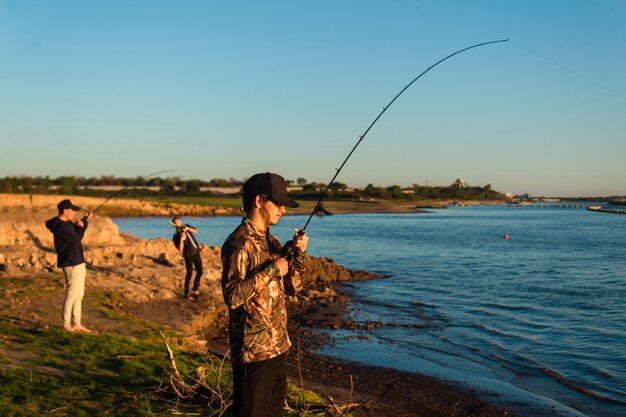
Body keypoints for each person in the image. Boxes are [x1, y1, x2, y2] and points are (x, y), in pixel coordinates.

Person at [221, 172, 308, 417]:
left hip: (278, 347)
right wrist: (272, 269)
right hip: (253, 354)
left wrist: (297, 254)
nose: (283, 209)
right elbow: (232, 295)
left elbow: (294, 288)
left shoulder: (273, 242)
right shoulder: (238, 242)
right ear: (259, 201)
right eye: (278, 203)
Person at [45, 199, 93, 333]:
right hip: (70, 264)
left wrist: (85, 220)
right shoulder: (60, 226)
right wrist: (80, 226)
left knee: (79, 294)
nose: (73, 213)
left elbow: (77, 232)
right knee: (72, 294)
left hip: (78, 262)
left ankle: (77, 323)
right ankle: (66, 324)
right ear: (65, 211)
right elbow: (76, 238)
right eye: (72, 210)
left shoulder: (67, 223)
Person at [171, 217, 204, 299]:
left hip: (196, 253)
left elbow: (195, 231)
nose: (179, 222)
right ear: (174, 224)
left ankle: (195, 289)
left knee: (200, 271)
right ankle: (186, 293)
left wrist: (186, 228)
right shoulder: (176, 235)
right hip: (188, 256)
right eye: (177, 222)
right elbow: (180, 250)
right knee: (189, 273)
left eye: (179, 221)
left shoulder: (186, 226)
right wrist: (182, 239)